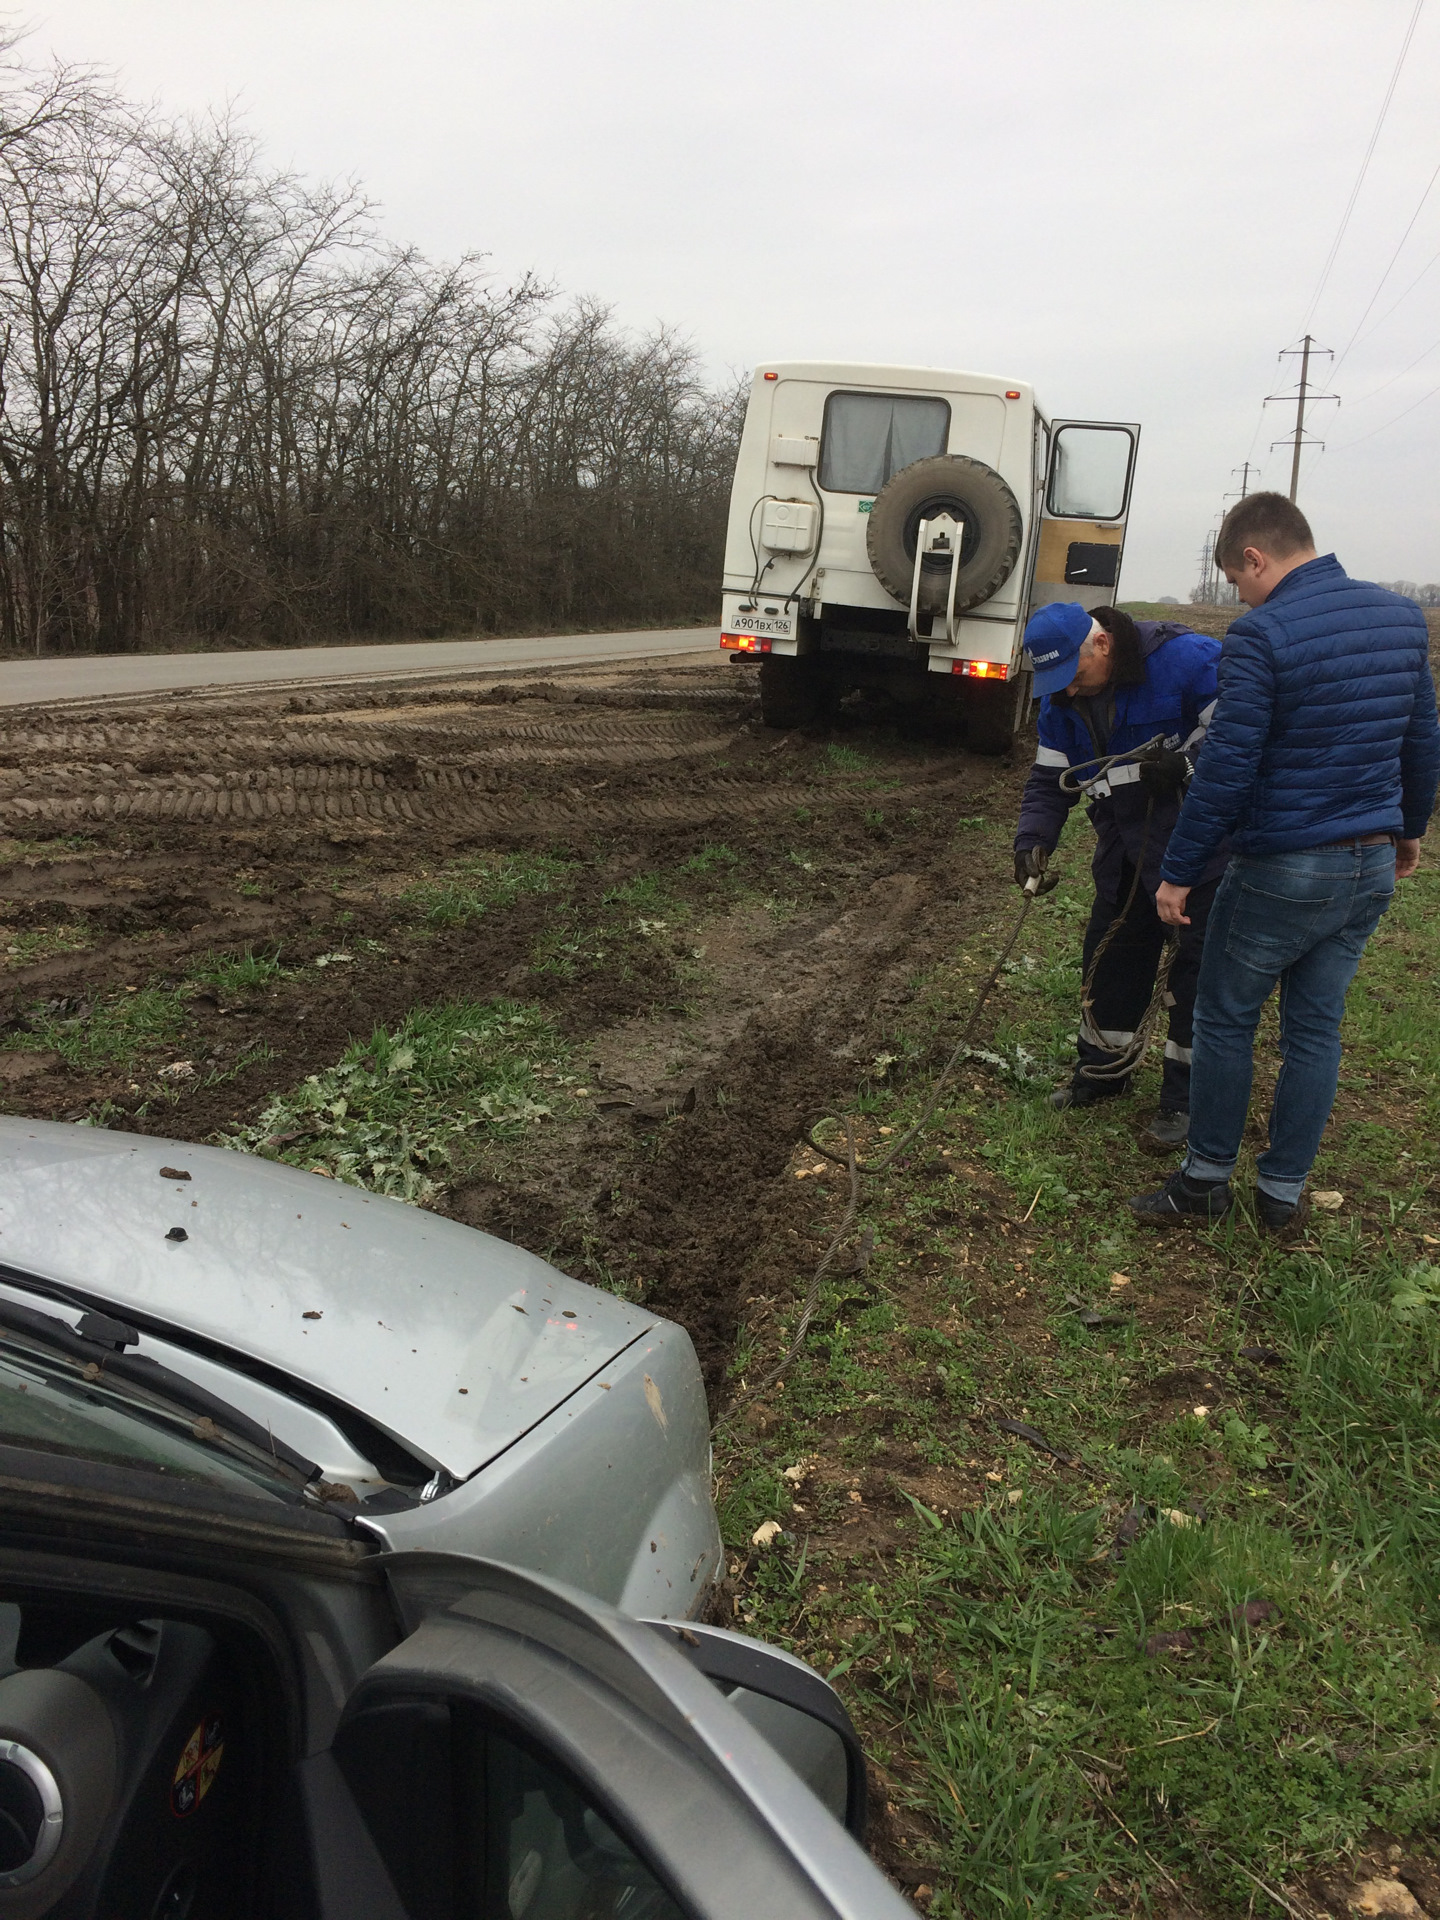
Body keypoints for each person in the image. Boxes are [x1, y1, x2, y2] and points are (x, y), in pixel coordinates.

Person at [1129, 492, 1440, 1231]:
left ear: (1255, 558)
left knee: (1226, 1016)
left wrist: (1177, 871)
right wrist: (1409, 829)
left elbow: (1229, 769)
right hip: (1366, 863)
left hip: (1284, 866)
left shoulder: (1261, 635)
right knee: (1314, 1028)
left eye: (1237, 581)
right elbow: (1422, 736)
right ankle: (1281, 1195)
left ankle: (1204, 1181)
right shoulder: (1399, 619)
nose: (1238, 595)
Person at [1014, 600, 1225, 1150]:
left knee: (1195, 979)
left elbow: (1243, 735)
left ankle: (1184, 1101)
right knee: (1110, 961)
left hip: (1197, 854)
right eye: (1057, 681)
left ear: (1102, 643)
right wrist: (1032, 842)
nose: (1070, 691)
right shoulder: (1062, 700)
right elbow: (1047, 781)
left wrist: (1188, 765)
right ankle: (1103, 1072)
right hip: (1125, 852)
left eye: (1076, 676)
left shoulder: (1187, 660)